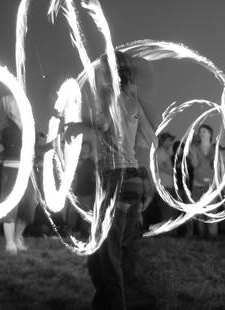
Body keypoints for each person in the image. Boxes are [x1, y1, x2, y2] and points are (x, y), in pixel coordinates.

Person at [66, 51, 157, 310]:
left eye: (102, 69)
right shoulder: (133, 101)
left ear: (109, 72)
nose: (98, 73)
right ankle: (126, 299)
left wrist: (76, 121)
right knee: (117, 251)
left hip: (114, 179)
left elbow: (104, 124)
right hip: (132, 181)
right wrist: (127, 138)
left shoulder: (108, 95)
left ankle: (115, 304)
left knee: (106, 255)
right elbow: (152, 138)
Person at [0, 95, 37, 255]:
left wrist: (49, 147)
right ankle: (9, 242)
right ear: (9, 109)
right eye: (14, 104)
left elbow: (34, 149)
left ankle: (18, 238)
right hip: (11, 170)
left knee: (28, 207)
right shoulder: (5, 128)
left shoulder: (28, 126)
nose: (18, 106)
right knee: (11, 207)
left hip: (27, 171)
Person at [190, 124, 218, 238]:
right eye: (200, 132)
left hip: (211, 185)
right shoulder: (195, 149)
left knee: (212, 211)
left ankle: (212, 235)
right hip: (197, 183)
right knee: (200, 212)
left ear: (210, 134)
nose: (201, 133)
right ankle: (201, 234)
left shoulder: (215, 149)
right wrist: (193, 156)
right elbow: (194, 165)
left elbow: (217, 167)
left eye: (204, 131)